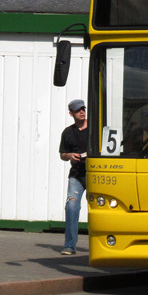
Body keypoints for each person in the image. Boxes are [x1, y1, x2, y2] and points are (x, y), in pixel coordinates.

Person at [58, 98, 88, 255]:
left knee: (101, 209)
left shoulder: (96, 128)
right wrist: (70, 155)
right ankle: (69, 246)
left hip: (95, 175)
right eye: (78, 110)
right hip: (76, 175)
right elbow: (62, 154)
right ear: (71, 113)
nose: (82, 111)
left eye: (83, 109)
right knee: (71, 207)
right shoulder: (68, 132)